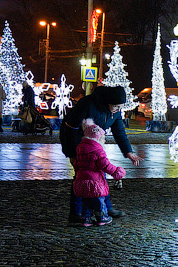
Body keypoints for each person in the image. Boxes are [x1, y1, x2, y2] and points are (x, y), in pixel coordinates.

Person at [60, 85, 144, 224]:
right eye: (116, 106)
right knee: (82, 178)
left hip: (95, 145)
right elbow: (70, 129)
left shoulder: (115, 111)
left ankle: (105, 208)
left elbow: (119, 132)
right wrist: (72, 154)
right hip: (79, 144)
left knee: (99, 176)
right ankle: (76, 213)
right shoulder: (87, 104)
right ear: (107, 102)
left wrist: (128, 152)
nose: (118, 110)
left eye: (120, 107)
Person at [72, 120, 127, 227]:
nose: (104, 140)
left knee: (86, 201)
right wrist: (117, 172)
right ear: (97, 138)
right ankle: (102, 217)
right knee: (99, 201)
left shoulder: (80, 149)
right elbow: (105, 165)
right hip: (95, 181)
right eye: (103, 138)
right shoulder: (98, 151)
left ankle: (86, 219)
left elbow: (76, 164)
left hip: (81, 180)